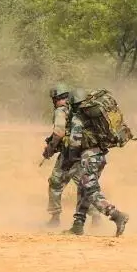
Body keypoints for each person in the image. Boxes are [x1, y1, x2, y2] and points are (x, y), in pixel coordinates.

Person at [64, 89, 129, 236]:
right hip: (100, 156)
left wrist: (71, 158)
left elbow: (74, 142)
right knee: (83, 188)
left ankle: (116, 214)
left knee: (91, 190)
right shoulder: (94, 118)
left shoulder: (78, 118)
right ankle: (78, 224)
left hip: (89, 157)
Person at [42, 83, 77, 226]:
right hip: (84, 153)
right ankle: (96, 219)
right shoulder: (76, 110)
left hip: (69, 155)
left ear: (55, 99)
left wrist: (51, 148)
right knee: (86, 185)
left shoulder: (60, 110)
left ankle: (55, 218)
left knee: (55, 183)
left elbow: (59, 132)